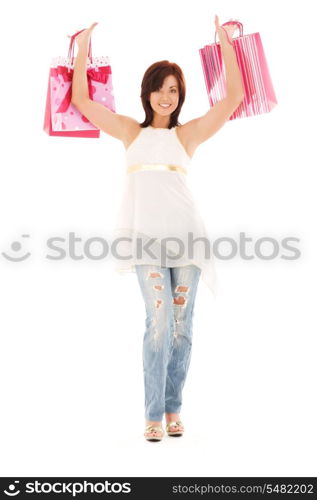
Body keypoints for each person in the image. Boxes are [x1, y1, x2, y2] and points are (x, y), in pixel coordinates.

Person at [70, 15, 244, 442]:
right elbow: (82, 102)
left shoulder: (187, 137)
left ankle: (172, 408)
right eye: (160, 88)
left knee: (183, 327)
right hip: (146, 245)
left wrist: (224, 41)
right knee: (160, 320)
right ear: (146, 91)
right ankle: (152, 412)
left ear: (179, 96)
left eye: (174, 90)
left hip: (189, 243)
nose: (166, 96)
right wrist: (81, 50)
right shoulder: (130, 131)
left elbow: (233, 97)